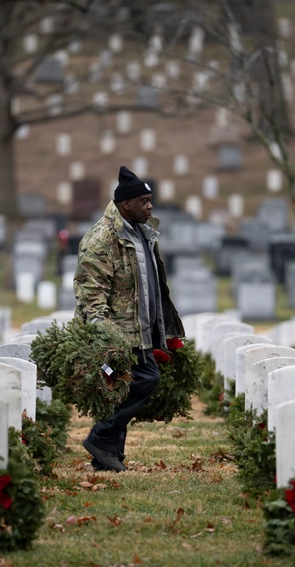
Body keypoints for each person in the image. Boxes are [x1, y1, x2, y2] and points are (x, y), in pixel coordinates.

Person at [73, 166, 185, 471]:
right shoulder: (102, 239)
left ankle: (108, 457)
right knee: (147, 379)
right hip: (119, 333)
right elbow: (90, 293)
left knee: (123, 389)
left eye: (151, 201)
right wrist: (106, 336)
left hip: (141, 330)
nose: (150, 207)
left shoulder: (141, 232)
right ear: (125, 205)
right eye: (144, 201)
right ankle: (101, 436)